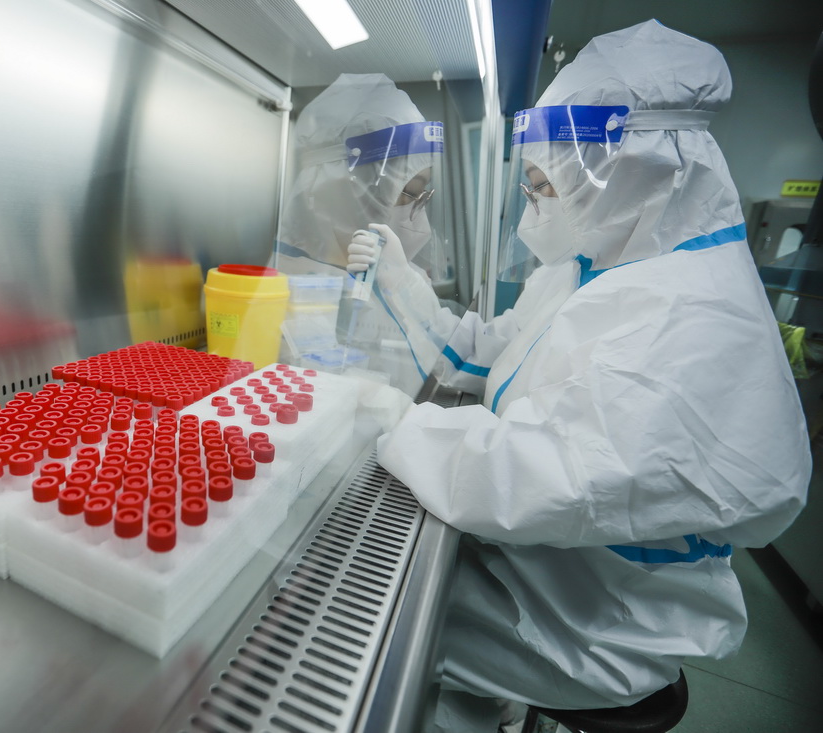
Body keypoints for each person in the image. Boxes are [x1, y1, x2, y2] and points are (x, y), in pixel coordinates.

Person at [348, 20, 811, 732]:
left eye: (547, 187)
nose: (536, 207)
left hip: (609, 623)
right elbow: (491, 350)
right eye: (533, 184)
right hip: (562, 568)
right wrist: (401, 282)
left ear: (634, 169)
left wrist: (395, 421)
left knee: (381, 642)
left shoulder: (690, 315)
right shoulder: (602, 265)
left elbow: (550, 474)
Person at [274, 73, 451, 396]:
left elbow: (446, 358)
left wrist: (404, 282)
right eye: (409, 192)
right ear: (345, 189)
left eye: (423, 195)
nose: (419, 219)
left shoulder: (396, 272)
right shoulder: (286, 283)